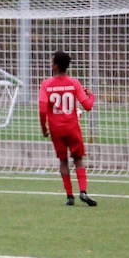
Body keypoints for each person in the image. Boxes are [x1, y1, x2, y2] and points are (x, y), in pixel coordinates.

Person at [39, 49, 97, 206]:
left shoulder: (46, 84)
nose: (50, 64)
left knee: (63, 160)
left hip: (56, 129)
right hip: (72, 127)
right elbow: (87, 106)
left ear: (56, 66)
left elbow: (43, 109)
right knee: (78, 159)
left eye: (52, 61)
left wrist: (44, 128)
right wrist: (91, 96)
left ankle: (69, 196)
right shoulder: (74, 83)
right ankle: (83, 192)